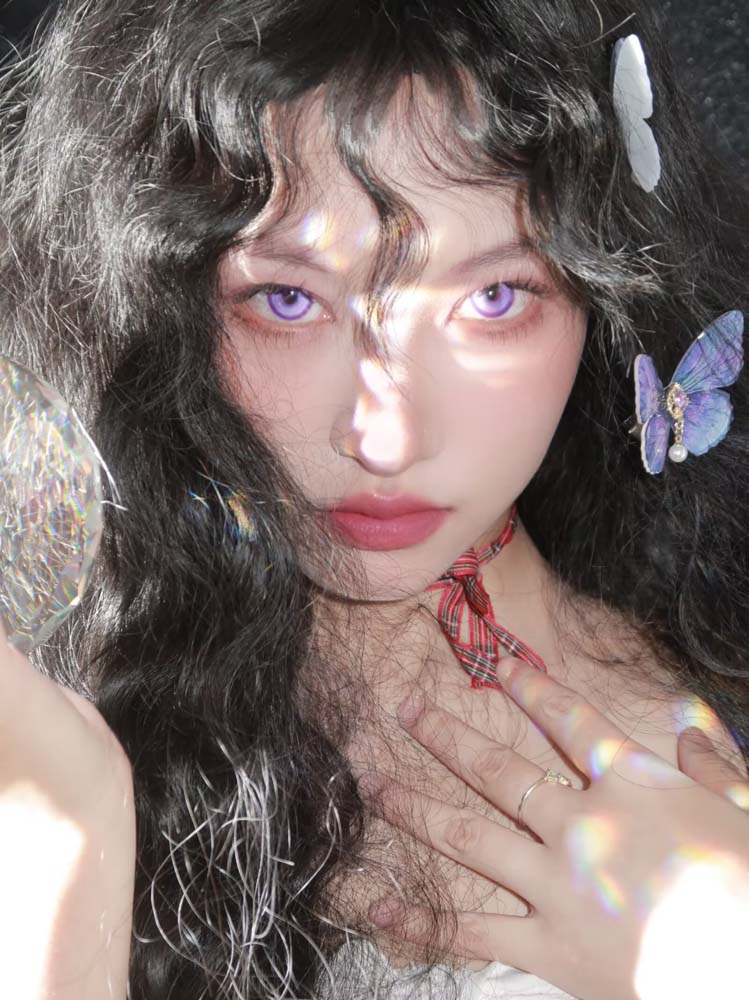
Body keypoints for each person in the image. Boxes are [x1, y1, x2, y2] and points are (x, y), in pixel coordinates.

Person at [0, 0, 748, 998]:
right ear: (155, 304)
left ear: (607, 291)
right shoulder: (55, 699)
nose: (384, 437)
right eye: (288, 300)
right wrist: (73, 833)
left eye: (492, 298)